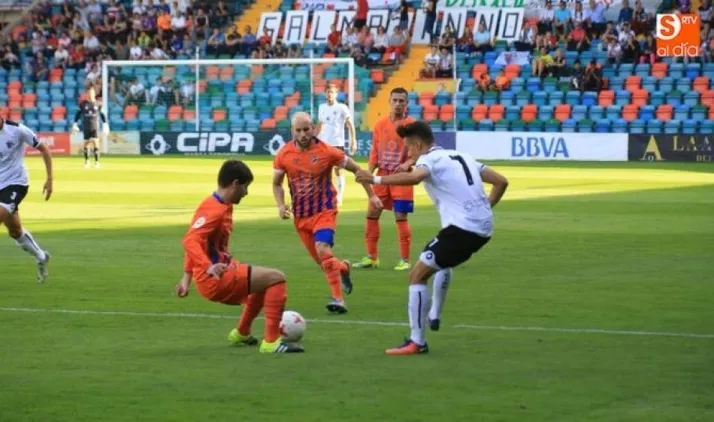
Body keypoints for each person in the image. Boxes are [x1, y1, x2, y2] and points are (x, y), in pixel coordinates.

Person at [355, 121, 509, 355]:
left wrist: (374, 180)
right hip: (483, 228)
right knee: (439, 261)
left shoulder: (428, 159)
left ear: (418, 145)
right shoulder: (462, 156)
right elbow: (501, 181)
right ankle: (434, 313)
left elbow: (417, 177)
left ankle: (417, 342)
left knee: (416, 275)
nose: (408, 154)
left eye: (409, 148)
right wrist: (485, 208)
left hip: (463, 229)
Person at [175, 159, 304, 354]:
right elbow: (191, 240)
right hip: (215, 278)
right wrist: (208, 266)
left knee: (263, 283)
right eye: (245, 187)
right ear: (235, 183)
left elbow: (198, 239)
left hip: (216, 273)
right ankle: (271, 342)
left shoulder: (218, 204)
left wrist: (186, 278)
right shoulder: (214, 210)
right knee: (277, 278)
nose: (246, 192)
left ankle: (242, 333)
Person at [272, 112, 382, 314]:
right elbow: (277, 184)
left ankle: (338, 299)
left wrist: (372, 196)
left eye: (307, 129)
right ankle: (343, 268)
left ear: (313, 128)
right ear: (292, 131)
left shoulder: (327, 151)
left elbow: (357, 170)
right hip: (301, 217)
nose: (303, 134)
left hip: (324, 211)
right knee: (324, 261)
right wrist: (280, 205)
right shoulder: (284, 154)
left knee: (323, 249)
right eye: (299, 130)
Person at [353, 87, 415, 271]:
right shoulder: (380, 124)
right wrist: (368, 172)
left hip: (402, 178)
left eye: (401, 101)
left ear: (407, 103)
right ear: (389, 102)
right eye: (395, 100)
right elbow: (375, 152)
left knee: (400, 216)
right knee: (372, 213)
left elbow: (420, 150)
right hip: (381, 175)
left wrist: (408, 162)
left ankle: (405, 259)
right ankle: (372, 257)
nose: (398, 104)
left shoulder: (412, 125)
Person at [0, 117, 53, 283]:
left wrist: (49, 179)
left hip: (16, 183)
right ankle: (41, 256)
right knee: (15, 231)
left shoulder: (17, 130)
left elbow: (44, 149)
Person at [315, 83, 357, 206]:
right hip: (324, 144)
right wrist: (313, 139)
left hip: (337, 143)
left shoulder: (342, 108)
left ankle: (339, 196)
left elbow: (350, 124)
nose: (330, 94)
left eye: (332, 92)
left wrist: (353, 140)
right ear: (325, 93)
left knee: (338, 170)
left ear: (336, 94)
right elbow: (320, 124)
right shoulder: (322, 107)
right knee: (323, 171)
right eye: (328, 92)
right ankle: (325, 196)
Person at [72, 87, 107, 168]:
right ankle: (87, 162)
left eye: (92, 93)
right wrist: (75, 124)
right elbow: (78, 114)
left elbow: (102, 114)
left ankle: (97, 162)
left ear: (94, 94)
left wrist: (105, 124)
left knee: (96, 143)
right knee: (86, 144)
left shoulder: (98, 104)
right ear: (87, 94)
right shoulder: (83, 104)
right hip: (86, 126)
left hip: (95, 127)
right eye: (89, 93)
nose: (90, 95)